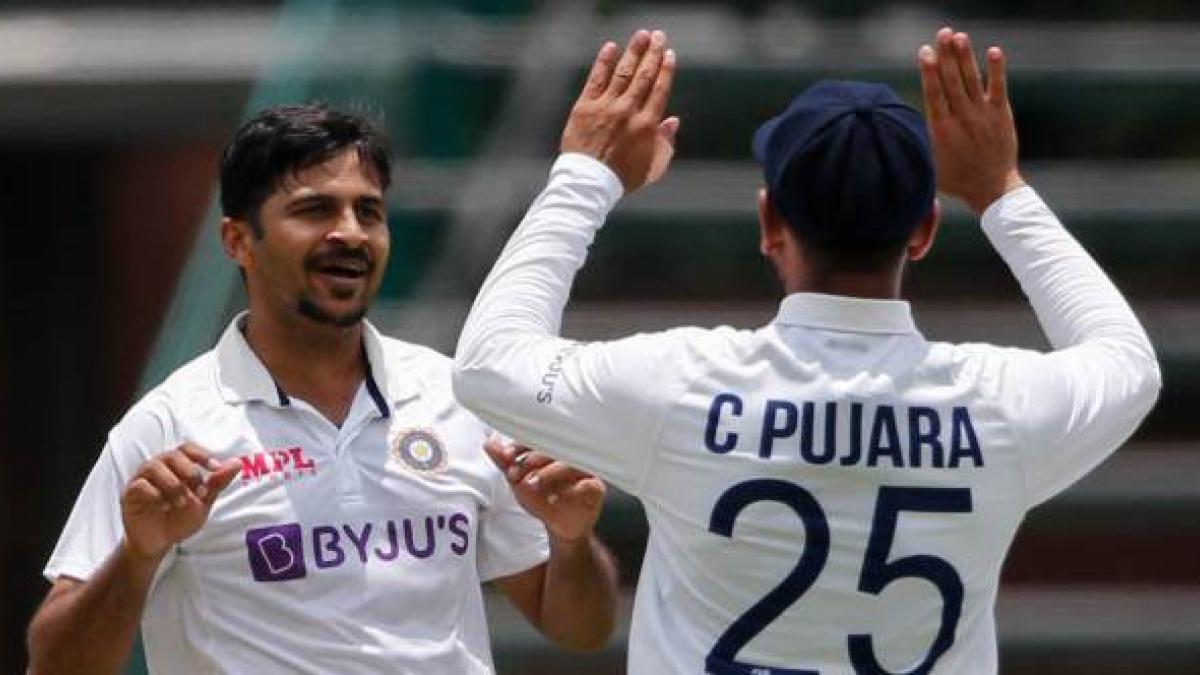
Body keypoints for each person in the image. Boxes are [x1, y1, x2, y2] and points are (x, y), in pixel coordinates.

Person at [451, 27, 1161, 674]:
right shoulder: (1000, 403)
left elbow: (488, 362)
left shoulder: (680, 385)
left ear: (768, 221)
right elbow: (1129, 365)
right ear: (924, 230)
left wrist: (586, 173)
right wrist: (1003, 191)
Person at [27, 103, 618, 675]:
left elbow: (580, 629)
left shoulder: (455, 398)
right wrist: (138, 556)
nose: (350, 233)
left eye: (369, 211)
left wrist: (573, 541)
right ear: (237, 242)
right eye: (315, 210)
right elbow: (55, 665)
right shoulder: (170, 426)